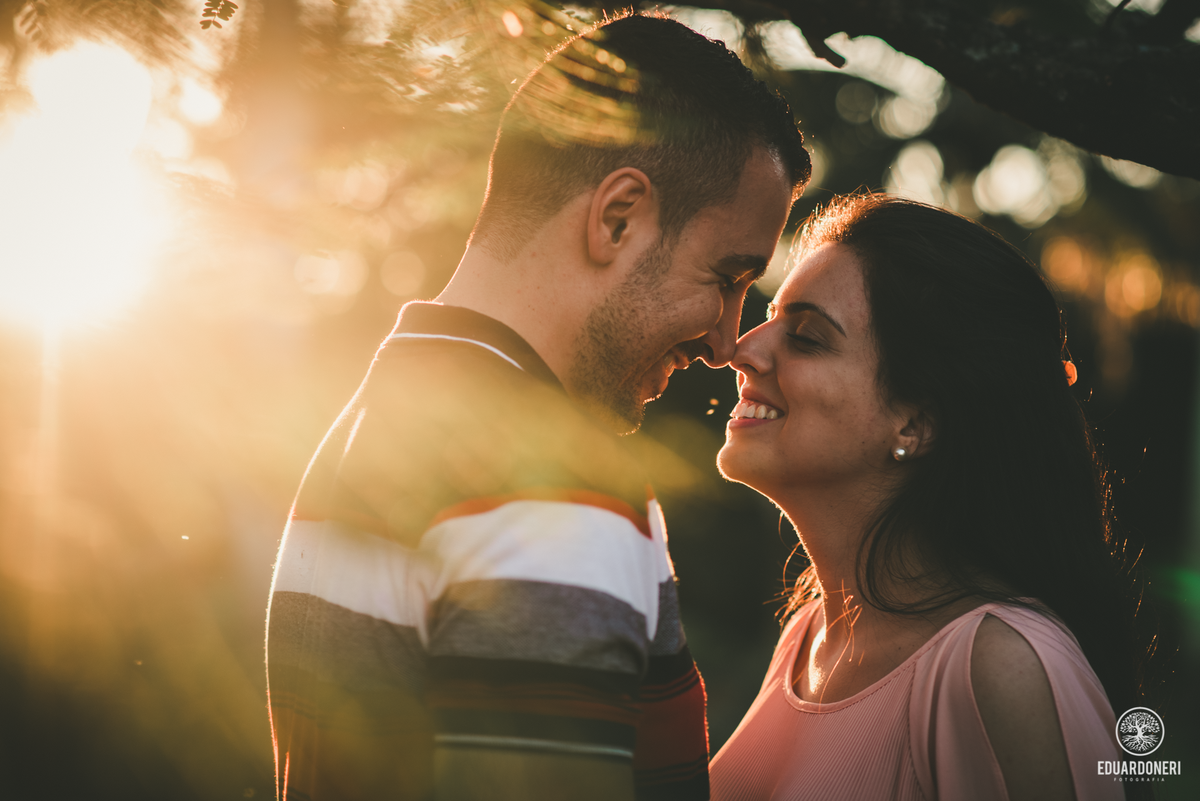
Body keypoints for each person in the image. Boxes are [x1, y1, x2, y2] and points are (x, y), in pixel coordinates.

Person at [265, 13, 811, 801]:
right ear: (618, 216)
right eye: (727, 276)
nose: (727, 342)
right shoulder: (553, 487)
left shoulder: (372, 424)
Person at [710, 195, 1148, 801]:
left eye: (807, 336)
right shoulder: (810, 632)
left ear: (914, 424)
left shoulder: (999, 667)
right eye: (769, 316)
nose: (742, 349)